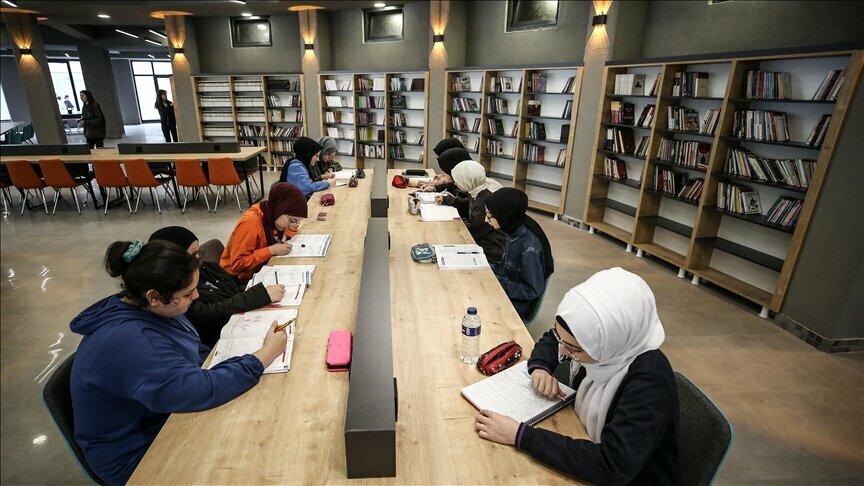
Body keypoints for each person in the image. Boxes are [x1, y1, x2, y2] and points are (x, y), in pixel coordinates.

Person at [70, 240, 287, 485]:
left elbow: (194, 351)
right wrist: (264, 356)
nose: (196, 296)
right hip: (138, 453)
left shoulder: (152, 308)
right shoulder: (131, 341)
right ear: (154, 296)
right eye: (186, 294)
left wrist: (239, 362)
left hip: (163, 414)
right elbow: (199, 390)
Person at [474, 267, 678, 484]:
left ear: (610, 340)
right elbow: (554, 338)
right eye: (564, 343)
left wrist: (521, 435)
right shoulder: (608, 345)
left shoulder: (650, 382)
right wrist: (541, 368)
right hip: (584, 440)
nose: (562, 351)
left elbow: (611, 465)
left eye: (573, 349)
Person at [149, 226, 285, 347]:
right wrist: (258, 296)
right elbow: (207, 315)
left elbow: (234, 283)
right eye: (192, 254)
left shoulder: (206, 268)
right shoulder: (178, 294)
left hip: (241, 322)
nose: (198, 259)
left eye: (198, 252)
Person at [484, 188, 554, 319]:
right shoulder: (512, 229)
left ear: (504, 214)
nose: (485, 220)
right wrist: (487, 268)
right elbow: (506, 267)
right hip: (505, 288)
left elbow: (532, 290)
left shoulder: (529, 247)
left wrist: (498, 282)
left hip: (516, 303)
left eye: (489, 216)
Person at [221, 182, 308, 281]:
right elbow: (237, 264)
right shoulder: (251, 223)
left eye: (296, 222)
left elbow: (292, 228)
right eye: (292, 221)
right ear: (280, 208)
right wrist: (271, 250)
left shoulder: (272, 214)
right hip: (236, 279)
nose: (292, 225)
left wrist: (284, 236)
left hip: (260, 269)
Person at [444, 160, 506, 262]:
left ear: (467, 181)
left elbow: (475, 232)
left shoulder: (485, 199)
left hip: (491, 247)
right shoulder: (478, 186)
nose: (455, 183)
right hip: (483, 236)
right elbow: (469, 205)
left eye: (458, 180)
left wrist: (455, 226)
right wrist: (448, 200)